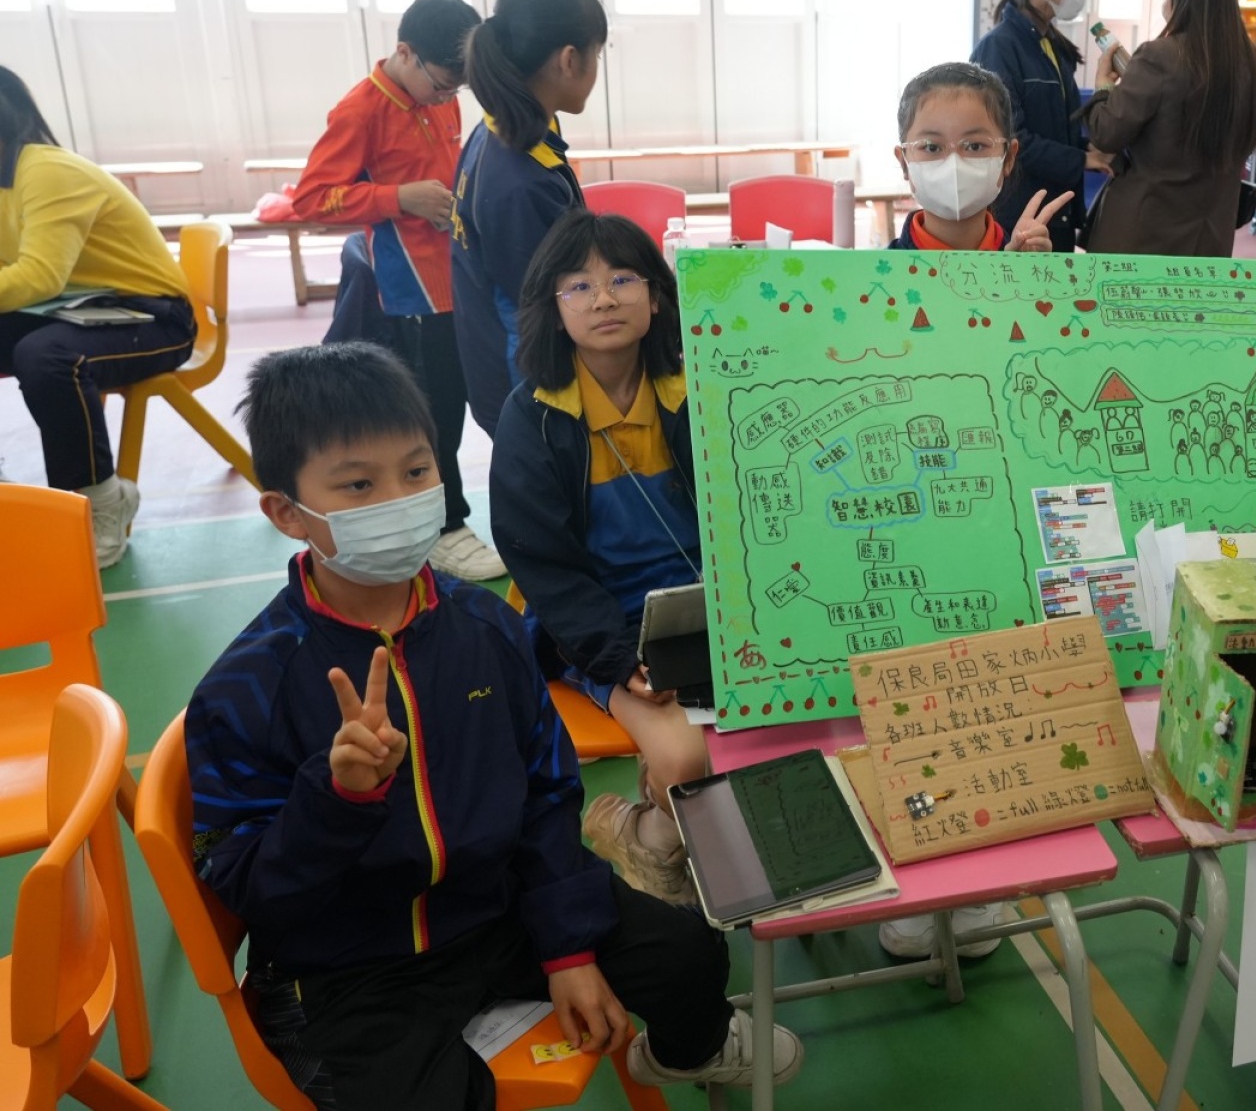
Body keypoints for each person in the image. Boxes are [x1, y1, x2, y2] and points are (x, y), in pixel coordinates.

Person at [185, 342, 801, 1108]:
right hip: (349, 967)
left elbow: (547, 793)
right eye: (358, 484)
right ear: (285, 512)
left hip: (498, 911)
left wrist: (567, 948)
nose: (398, 498)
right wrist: (337, 800)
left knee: (686, 951)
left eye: (417, 471)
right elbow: (251, 888)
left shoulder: (487, 626)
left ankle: (689, 1052)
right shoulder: (246, 688)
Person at [488, 210, 711, 905]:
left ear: (657, 296)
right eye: (579, 286)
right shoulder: (532, 418)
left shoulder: (701, 388)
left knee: (803, 732)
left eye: (622, 279)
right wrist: (616, 660)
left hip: (716, 609)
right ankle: (646, 833)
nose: (604, 299)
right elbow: (546, 570)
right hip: (599, 627)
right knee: (688, 759)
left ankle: (654, 827)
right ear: (553, 310)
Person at [293, 0, 506, 583]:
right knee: (431, 415)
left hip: (458, 278)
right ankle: (444, 529)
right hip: (409, 292)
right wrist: (398, 198)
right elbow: (311, 199)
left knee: (462, 403)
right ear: (405, 53)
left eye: (457, 88)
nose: (447, 97)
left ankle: (439, 518)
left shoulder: (439, 97)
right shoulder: (359, 111)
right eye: (441, 84)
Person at [0, 67, 195, 567]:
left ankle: (100, 502)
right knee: (43, 348)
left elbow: (39, 276)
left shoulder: (45, 171)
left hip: (154, 317)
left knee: (46, 357)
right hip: (74, 309)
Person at [452, 0, 604, 436]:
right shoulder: (518, 179)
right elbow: (547, 301)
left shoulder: (507, 126)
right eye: (598, 55)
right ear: (569, 60)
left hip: (512, 367)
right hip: (528, 385)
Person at [1083, 0, 1256, 257]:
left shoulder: (1159, 57)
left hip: (1143, 237)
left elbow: (1106, 133)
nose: (1164, 4)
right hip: (1211, 241)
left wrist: (1104, 87)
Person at [971, 0, 1106, 254]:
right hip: (1018, 218)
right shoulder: (999, 48)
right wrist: (1082, 159)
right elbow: (1011, 140)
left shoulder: (1051, 45)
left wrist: (1091, 150)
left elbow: (1058, 130)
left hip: (1056, 213)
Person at [888, 62, 1071, 254]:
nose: (954, 164)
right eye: (931, 147)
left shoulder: (1021, 255)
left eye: (974, 146)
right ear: (904, 163)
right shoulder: (879, 270)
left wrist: (1023, 270)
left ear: (1008, 157)